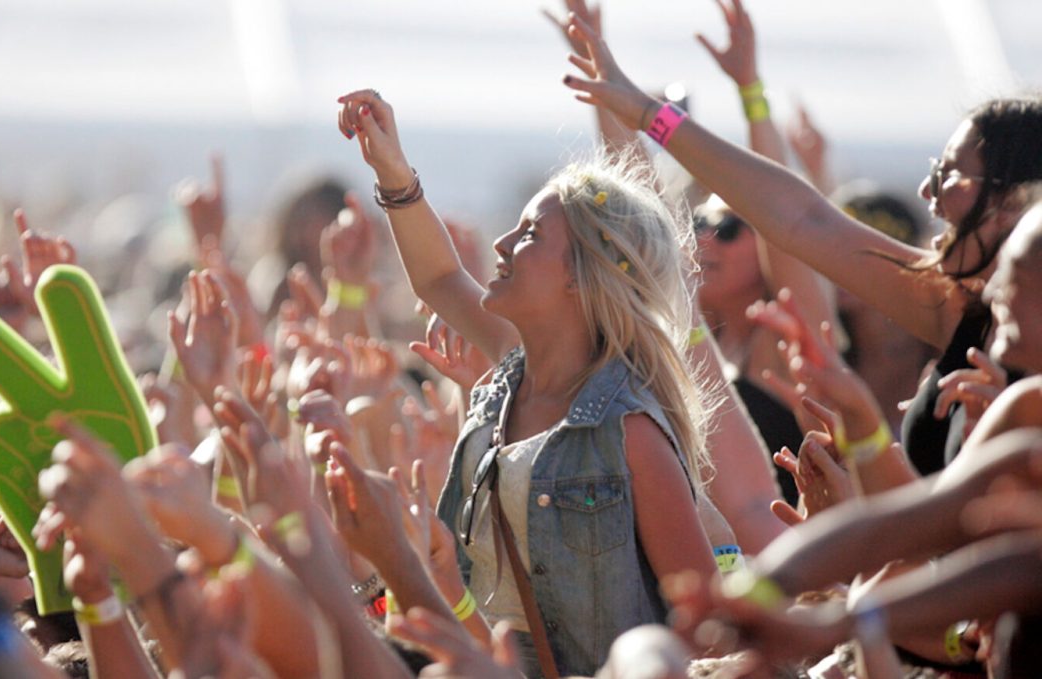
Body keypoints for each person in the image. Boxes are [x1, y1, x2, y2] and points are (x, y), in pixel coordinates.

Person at [336, 89, 718, 677]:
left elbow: (706, 621)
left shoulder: (632, 431)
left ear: (581, 279)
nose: (501, 245)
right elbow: (439, 277)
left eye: (530, 234)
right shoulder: (513, 376)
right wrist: (393, 173)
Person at [561, 15, 1042, 477]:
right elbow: (802, 217)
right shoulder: (962, 310)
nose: (928, 191)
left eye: (951, 174)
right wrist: (649, 116)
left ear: (1015, 197)